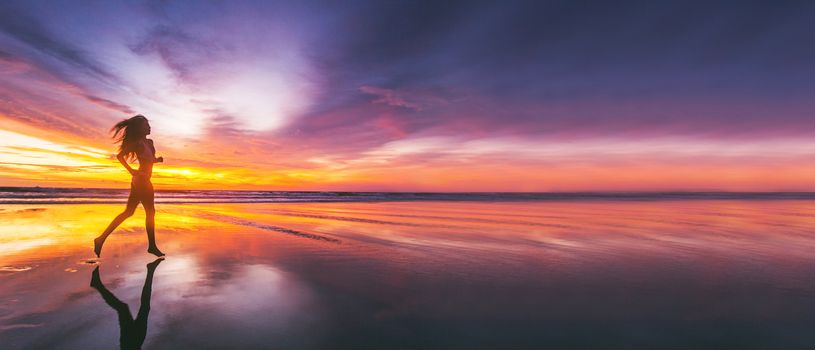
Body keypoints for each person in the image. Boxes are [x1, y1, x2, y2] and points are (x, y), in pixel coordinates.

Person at [94, 115, 165, 257]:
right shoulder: (137, 143)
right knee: (150, 212)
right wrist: (131, 170)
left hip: (140, 180)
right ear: (140, 128)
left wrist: (156, 160)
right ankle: (152, 246)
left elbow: (148, 160)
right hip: (142, 180)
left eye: (148, 124)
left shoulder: (149, 142)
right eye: (146, 124)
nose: (149, 127)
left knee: (129, 212)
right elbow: (120, 156)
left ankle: (100, 239)